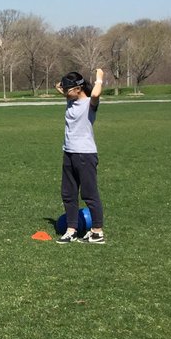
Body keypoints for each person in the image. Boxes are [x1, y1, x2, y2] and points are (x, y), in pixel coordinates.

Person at [55, 69, 105, 244]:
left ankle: (97, 232)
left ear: (79, 88)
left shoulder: (89, 104)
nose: (65, 93)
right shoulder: (71, 101)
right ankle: (71, 230)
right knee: (68, 194)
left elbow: (96, 93)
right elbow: (58, 87)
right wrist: (65, 86)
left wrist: (99, 78)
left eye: (69, 90)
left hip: (85, 154)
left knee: (89, 194)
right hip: (68, 152)